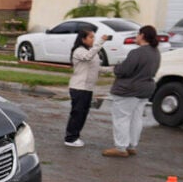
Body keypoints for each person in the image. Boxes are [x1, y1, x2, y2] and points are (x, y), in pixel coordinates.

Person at [102, 26, 161, 157]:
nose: (136, 37)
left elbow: (124, 70)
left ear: (142, 35)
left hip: (129, 90)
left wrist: (116, 68)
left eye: (137, 34)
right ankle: (132, 145)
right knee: (136, 118)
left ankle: (120, 147)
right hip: (145, 89)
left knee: (121, 118)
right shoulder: (155, 52)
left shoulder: (137, 53)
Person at [65, 29, 109, 147]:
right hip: (79, 87)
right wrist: (100, 42)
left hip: (88, 88)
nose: (93, 40)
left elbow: (97, 68)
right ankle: (70, 138)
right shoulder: (79, 51)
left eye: (94, 37)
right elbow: (88, 57)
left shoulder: (90, 52)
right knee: (77, 114)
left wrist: (114, 69)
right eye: (91, 37)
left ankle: (75, 136)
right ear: (83, 39)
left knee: (83, 114)